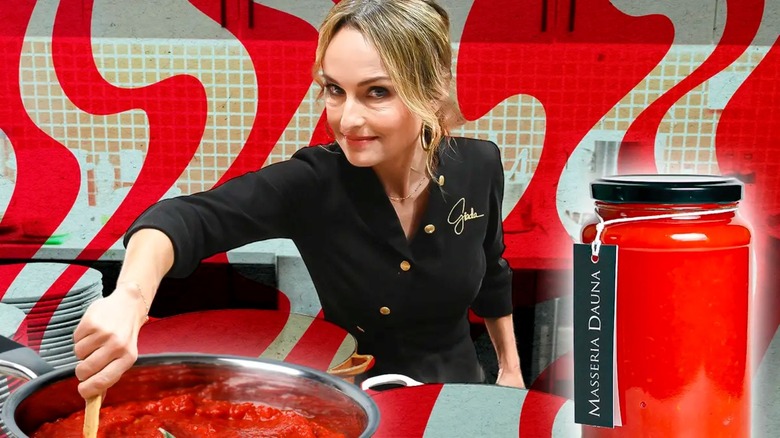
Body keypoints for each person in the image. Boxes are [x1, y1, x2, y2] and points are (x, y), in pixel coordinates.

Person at [73, 0, 525, 399]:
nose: (347, 118)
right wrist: (129, 297)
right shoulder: (313, 183)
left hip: (461, 393)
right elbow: (184, 219)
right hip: (359, 400)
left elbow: (492, 270)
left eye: (377, 92)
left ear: (432, 88)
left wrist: (509, 369)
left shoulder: (479, 164)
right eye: (335, 90)